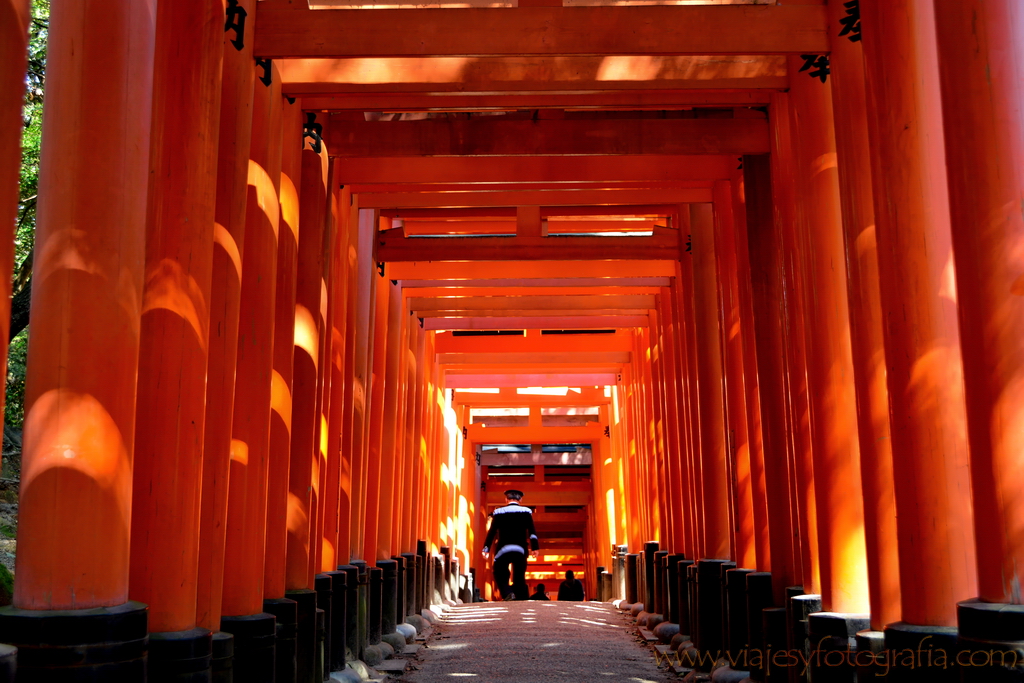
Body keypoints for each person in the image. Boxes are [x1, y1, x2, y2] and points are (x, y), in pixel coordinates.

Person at [482, 489, 539, 601]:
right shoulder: (526, 512)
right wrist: (535, 548)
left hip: (503, 548)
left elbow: (492, 532)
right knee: (519, 574)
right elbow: (532, 531)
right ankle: (520, 597)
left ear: (506, 499)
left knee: (499, 571)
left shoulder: (498, 512)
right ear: (520, 500)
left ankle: (508, 592)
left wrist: (486, 548)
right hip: (520, 549)